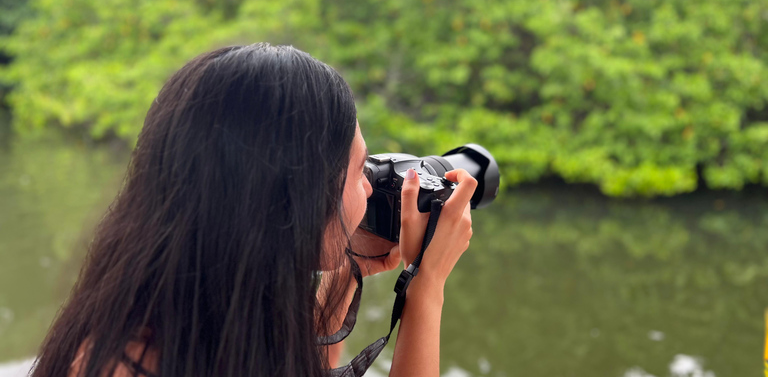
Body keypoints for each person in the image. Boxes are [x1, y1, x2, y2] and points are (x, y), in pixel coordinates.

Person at [31, 43, 475, 377]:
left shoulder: (209, 302)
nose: (369, 186)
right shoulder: (121, 365)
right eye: (360, 169)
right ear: (293, 197)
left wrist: (344, 272)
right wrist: (425, 286)